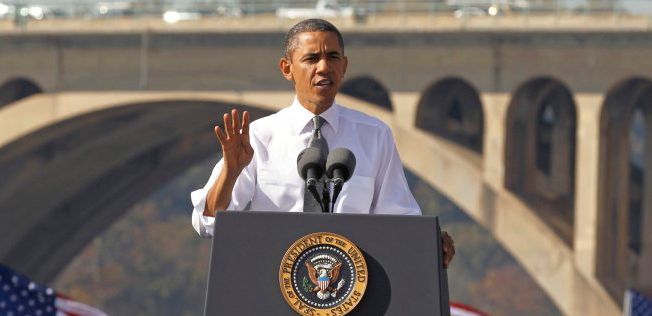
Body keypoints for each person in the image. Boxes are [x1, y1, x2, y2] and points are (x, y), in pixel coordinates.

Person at [191, 18, 455, 268]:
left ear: (344, 66)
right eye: (311, 58)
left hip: (354, 292)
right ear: (287, 68)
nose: (324, 67)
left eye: (332, 57)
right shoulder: (259, 137)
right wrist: (230, 172)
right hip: (272, 288)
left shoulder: (374, 135)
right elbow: (208, 224)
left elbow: (400, 220)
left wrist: (430, 242)